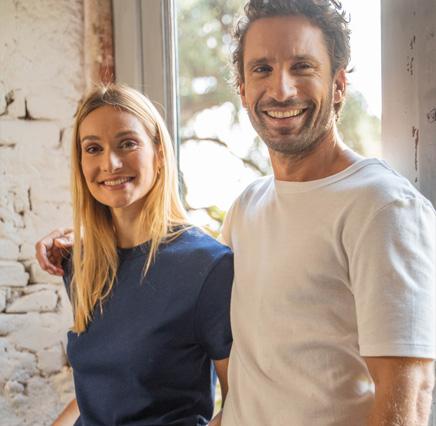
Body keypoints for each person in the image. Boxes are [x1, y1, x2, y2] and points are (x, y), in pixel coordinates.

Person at [37, 1, 436, 425]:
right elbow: (169, 279)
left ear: (339, 84)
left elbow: (406, 400)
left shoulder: (382, 207)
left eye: (302, 66)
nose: (281, 90)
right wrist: (85, 240)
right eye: (262, 69)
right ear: (242, 89)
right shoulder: (249, 206)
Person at [36, 84, 233, 426]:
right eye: (93, 148)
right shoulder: (82, 263)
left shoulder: (207, 266)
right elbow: (102, 392)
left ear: (158, 153)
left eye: (127, 144)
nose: (110, 163)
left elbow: (241, 403)